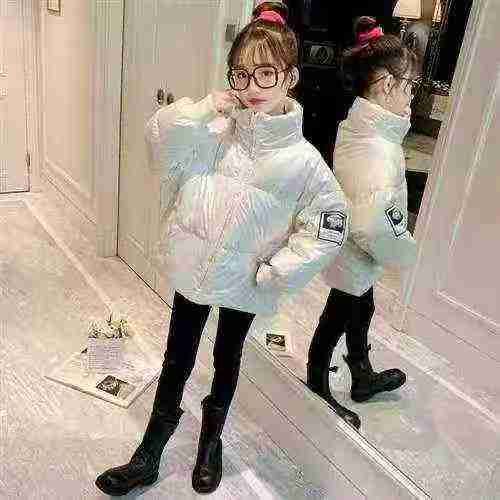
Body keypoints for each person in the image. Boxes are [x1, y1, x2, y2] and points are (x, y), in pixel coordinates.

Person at [95, 2, 348, 496]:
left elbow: (328, 225)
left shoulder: (305, 162)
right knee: (177, 357)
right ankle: (150, 451)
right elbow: (159, 144)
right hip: (195, 268)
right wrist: (201, 108)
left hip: (247, 279)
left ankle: (211, 442)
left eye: (266, 73)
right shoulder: (213, 132)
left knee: (227, 358)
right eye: (241, 73)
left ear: (291, 77)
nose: (252, 86)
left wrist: (277, 272)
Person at [307, 17, 420, 430]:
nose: (412, 96)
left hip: (354, 250)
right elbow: (373, 224)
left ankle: (361, 373)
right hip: (357, 249)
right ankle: (316, 384)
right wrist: (403, 249)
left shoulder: (366, 128)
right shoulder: (376, 147)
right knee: (338, 314)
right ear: (387, 85)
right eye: (410, 86)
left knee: (361, 306)